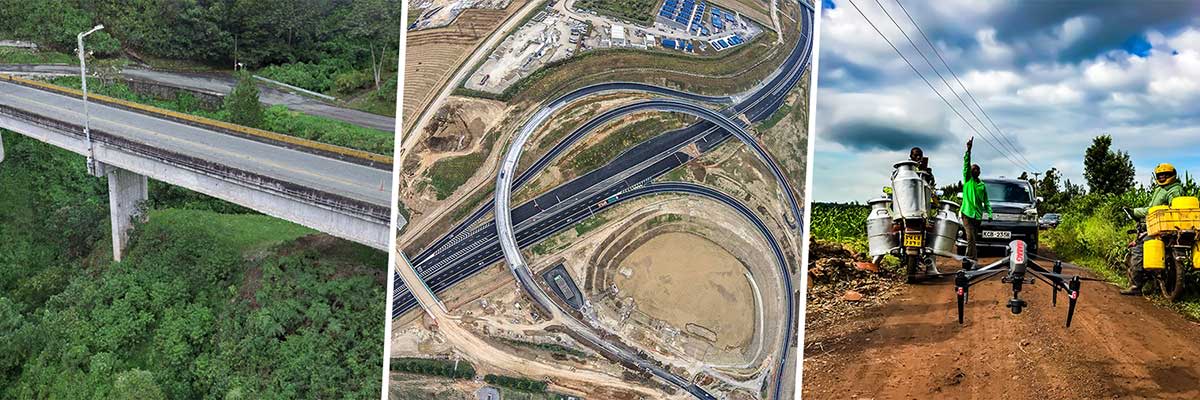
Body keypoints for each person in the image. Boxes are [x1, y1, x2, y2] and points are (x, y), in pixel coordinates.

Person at [1121, 163, 1185, 295]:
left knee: (1138, 249)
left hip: (1165, 226)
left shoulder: (1173, 190)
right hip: (1159, 224)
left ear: (1172, 175)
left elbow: (1173, 209)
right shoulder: (1161, 189)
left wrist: (1136, 212)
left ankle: (1135, 286)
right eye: (1160, 175)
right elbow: (1152, 209)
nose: (1162, 177)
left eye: (1165, 175)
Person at [960, 137, 992, 269]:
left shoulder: (982, 186)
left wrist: (989, 213)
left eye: (976, 169)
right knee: (970, 238)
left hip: (977, 216)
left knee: (973, 238)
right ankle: (971, 260)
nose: (973, 170)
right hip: (967, 213)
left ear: (979, 172)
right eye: (972, 169)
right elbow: (966, 164)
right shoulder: (968, 180)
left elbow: (986, 201)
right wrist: (968, 150)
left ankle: (971, 260)